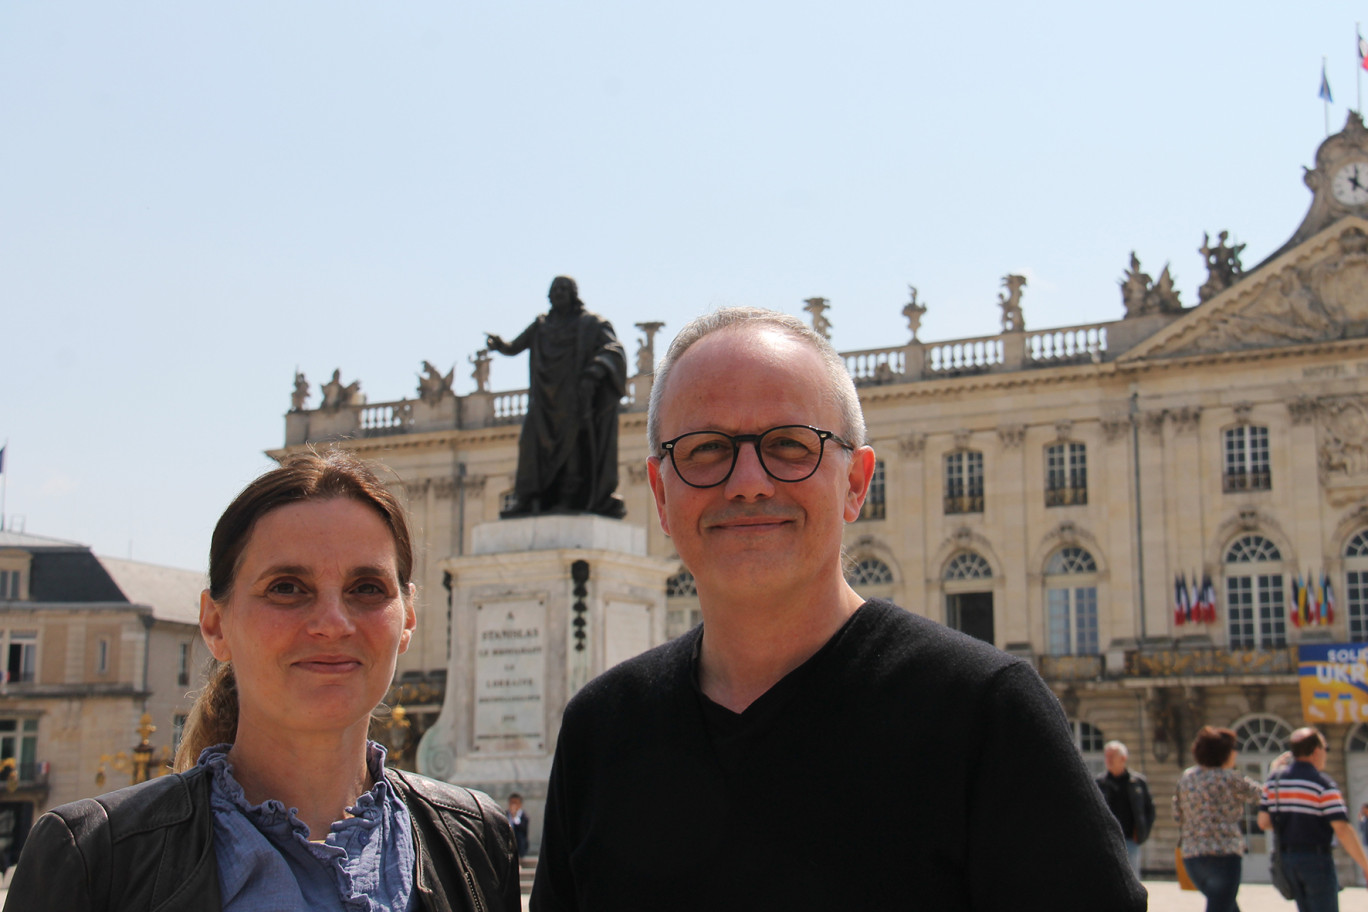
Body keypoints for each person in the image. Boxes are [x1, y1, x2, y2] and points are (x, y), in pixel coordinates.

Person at [530, 307, 1146, 910]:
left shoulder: (987, 714)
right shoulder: (601, 730)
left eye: (791, 445)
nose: (748, 481)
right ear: (661, 494)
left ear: (856, 483)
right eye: (705, 449)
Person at [7, 450, 520, 911]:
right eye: (287, 588)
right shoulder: (93, 857)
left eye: (367, 587)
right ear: (214, 624)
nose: (332, 622)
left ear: (407, 619)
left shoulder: (473, 840)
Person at [486, 275, 628, 518]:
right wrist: (501, 346)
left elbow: (614, 350)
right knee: (530, 446)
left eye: (565, 288)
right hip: (545, 401)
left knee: (574, 450)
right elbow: (515, 346)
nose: (559, 293)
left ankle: (568, 497)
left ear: (574, 294)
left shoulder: (591, 323)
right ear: (549, 296)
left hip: (575, 400)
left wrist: (594, 372)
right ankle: (528, 496)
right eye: (555, 289)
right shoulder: (541, 325)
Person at [1258, 726, 1368, 912]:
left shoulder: (1275, 781)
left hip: (1288, 860)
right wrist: (1365, 865)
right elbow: (1342, 829)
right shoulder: (1322, 784)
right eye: (1326, 749)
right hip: (1316, 860)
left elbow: (1263, 822)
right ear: (1316, 751)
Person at [1173, 726, 1264, 912]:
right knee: (1221, 906)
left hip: (1192, 856)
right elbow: (1263, 795)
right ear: (1224, 753)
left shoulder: (1187, 777)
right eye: (1233, 749)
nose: (1236, 754)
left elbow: (1177, 814)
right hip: (1224, 854)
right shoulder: (1229, 778)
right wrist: (1277, 770)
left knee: (1226, 905)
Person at [1097, 739, 1156, 878]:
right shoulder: (1099, 783)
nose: (1108, 759)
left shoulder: (1137, 782)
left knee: (1132, 880)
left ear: (1123, 758)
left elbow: (1149, 810)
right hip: (1106, 842)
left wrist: (1142, 833)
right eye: (1106, 756)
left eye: (1112, 756)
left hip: (1130, 840)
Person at [507, 793, 530, 860]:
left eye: (516, 803)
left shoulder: (524, 816)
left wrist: (514, 816)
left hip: (519, 843)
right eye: (512, 803)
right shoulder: (505, 814)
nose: (513, 805)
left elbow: (523, 829)